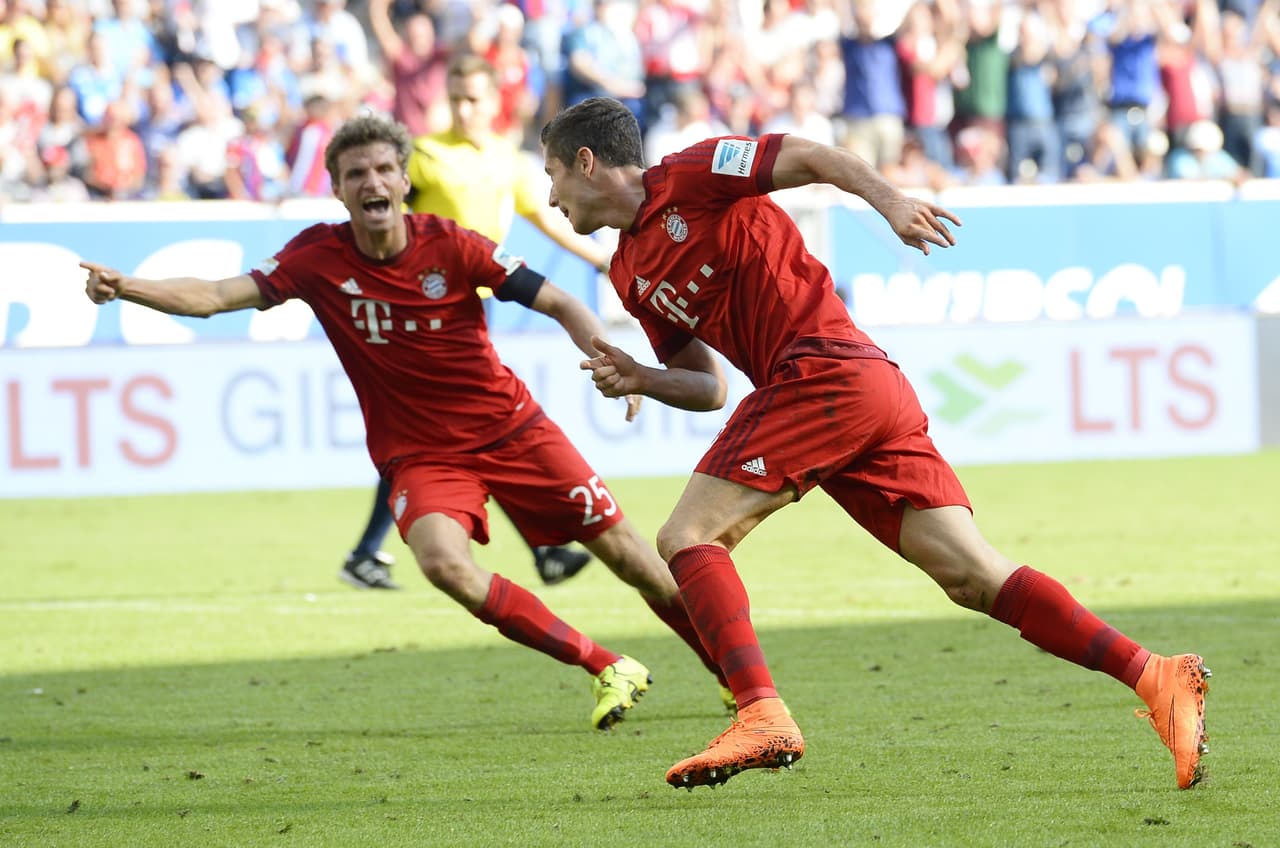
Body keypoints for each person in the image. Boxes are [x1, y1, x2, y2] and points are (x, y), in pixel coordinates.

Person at [540, 96, 1211, 790]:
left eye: (553, 174)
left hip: (824, 370)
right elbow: (705, 386)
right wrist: (642, 378)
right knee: (973, 577)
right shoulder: (629, 275)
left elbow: (807, 155)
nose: (551, 196)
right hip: (846, 392)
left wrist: (889, 203)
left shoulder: (697, 171)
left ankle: (761, 714)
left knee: (687, 537)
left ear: (587, 162)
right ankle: (1155, 676)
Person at [82, 112, 730, 732]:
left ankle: (735, 681)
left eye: (383, 169)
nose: (371, 183)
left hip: (513, 429)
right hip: (421, 457)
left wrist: (609, 359)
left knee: (633, 559)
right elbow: (215, 297)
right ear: (337, 189)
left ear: (402, 179)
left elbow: (558, 300)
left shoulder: (452, 245)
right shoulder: (316, 258)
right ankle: (604, 664)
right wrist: (127, 286)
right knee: (443, 566)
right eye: (356, 174)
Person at [336, 52, 615, 592]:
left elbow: (544, 216)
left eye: (474, 97)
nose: (465, 107)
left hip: (475, 300)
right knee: (444, 430)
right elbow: (385, 216)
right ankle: (541, 550)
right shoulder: (423, 155)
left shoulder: (506, 160)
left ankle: (373, 552)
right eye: (457, 96)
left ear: (493, 101)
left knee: (453, 430)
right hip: (420, 306)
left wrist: (599, 258)